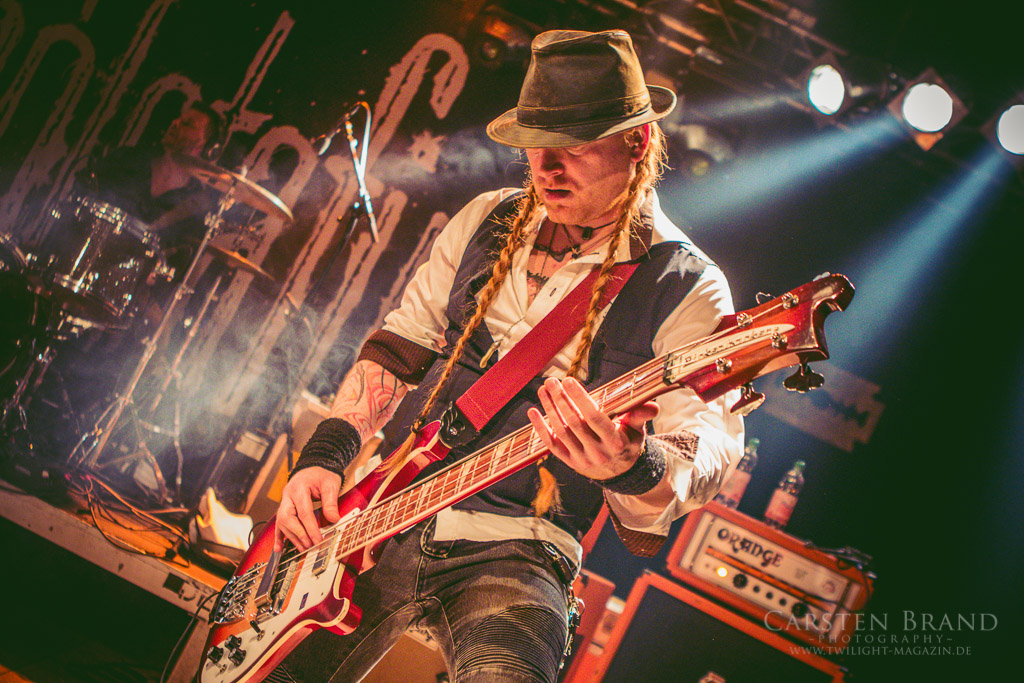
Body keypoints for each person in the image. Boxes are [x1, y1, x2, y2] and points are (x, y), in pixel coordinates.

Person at [270, 29, 744, 683]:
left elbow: (710, 441)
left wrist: (634, 465)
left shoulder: (686, 284)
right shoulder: (487, 217)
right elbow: (400, 346)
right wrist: (324, 457)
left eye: (573, 146)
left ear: (637, 141)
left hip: (520, 551)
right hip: (386, 518)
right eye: (535, 145)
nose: (546, 168)